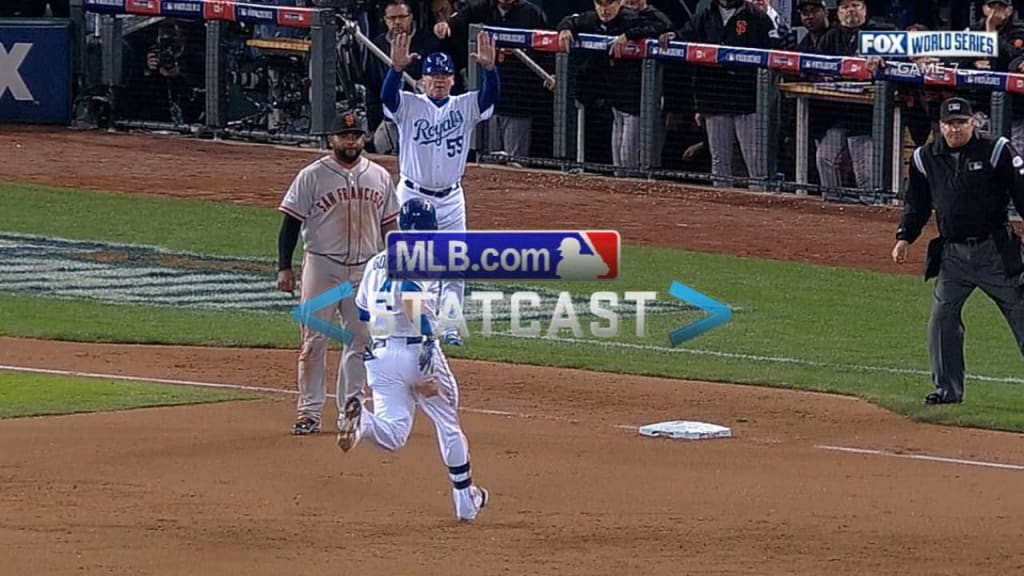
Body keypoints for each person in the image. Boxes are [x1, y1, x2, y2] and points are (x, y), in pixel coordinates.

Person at [338, 198, 490, 524]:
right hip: (416, 353)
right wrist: (425, 342)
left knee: (393, 433)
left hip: (380, 355)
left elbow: (363, 311)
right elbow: (408, 289)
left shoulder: (377, 261)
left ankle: (363, 422)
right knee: (448, 424)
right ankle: (465, 501)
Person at [892, 97, 1024, 405]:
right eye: (950, 124)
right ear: (940, 126)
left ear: (972, 122)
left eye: (961, 123)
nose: (955, 129)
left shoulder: (996, 150)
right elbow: (917, 203)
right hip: (953, 255)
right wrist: (904, 237)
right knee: (942, 320)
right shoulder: (925, 157)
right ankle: (948, 391)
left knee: (1021, 315)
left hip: (996, 253)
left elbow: (1022, 193)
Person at [277, 108, 401, 435]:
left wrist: (396, 263)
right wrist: (284, 267)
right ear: (331, 139)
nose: (350, 141)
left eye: (356, 135)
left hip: (364, 272)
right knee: (314, 341)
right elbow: (290, 224)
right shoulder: (312, 175)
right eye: (344, 136)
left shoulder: (379, 176)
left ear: (363, 138)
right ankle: (308, 412)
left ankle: (352, 409)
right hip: (323, 268)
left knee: (360, 340)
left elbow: (390, 225)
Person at [382, 30, 500, 345]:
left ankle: (448, 327)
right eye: (433, 74)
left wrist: (490, 70)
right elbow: (387, 99)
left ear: (453, 79)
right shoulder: (408, 104)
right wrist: (395, 70)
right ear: (421, 79)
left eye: (445, 74)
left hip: (451, 198)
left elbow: (490, 97)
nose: (439, 79)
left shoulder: (465, 105)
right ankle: (404, 322)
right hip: (412, 194)